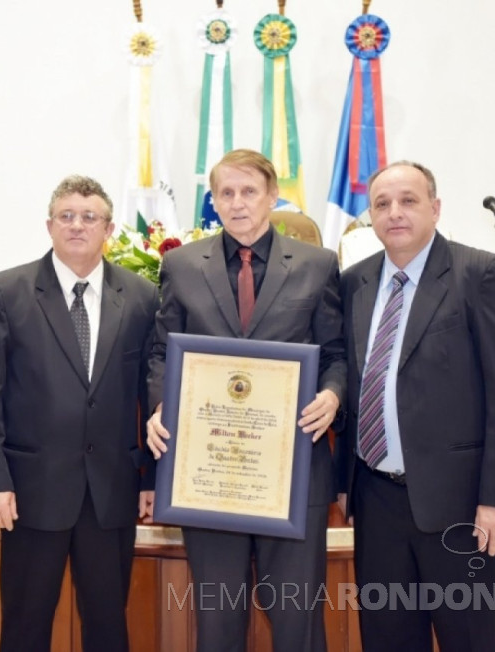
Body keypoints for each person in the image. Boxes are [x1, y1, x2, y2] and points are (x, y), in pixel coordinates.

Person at [146, 149, 347, 652]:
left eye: (249, 191)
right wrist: (158, 407)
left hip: (293, 471)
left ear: (273, 196)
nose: (237, 204)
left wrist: (332, 394)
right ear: (212, 201)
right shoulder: (181, 265)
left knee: (298, 623)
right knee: (217, 624)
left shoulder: (318, 264)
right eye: (226, 193)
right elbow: (159, 354)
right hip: (209, 472)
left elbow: (338, 354)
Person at [335, 161, 495, 651]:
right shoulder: (353, 283)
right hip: (376, 500)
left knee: (470, 639)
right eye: (382, 204)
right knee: (387, 639)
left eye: (408, 201)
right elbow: (356, 382)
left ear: (435, 208)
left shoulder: (482, 274)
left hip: (462, 507)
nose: (394, 213)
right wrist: (345, 483)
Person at [0, 175, 158, 652]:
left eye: (89, 217)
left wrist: (151, 478)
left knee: (108, 625)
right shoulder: (7, 291)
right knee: (25, 625)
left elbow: (150, 393)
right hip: (31, 491)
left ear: (109, 228)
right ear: (49, 225)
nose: (77, 226)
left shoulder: (140, 296)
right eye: (66, 216)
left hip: (111, 491)